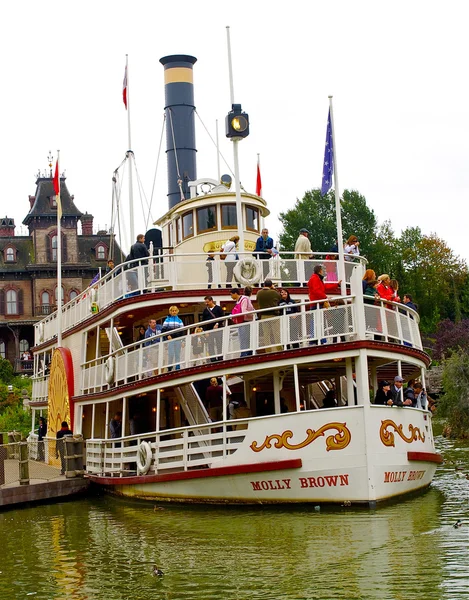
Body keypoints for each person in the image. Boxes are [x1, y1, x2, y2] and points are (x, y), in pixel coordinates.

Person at [256, 279, 281, 352]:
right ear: (271, 285)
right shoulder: (273, 292)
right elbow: (279, 297)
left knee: (266, 335)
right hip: (273, 315)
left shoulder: (259, 293)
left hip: (263, 315)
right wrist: (274, 289)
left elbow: (257, 300)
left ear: (264, 285)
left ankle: (268, 350)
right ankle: (279, 349)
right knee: (276, 334)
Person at [230, 287, 255, 357]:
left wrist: (253, 314)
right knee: (245, 338)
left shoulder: (243, 299)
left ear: (235, 293)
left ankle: (245, 354)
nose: (231, 296)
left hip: (245, 321)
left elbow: (243, 311)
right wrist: (253, 313)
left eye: (231, 294)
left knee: (244, 338)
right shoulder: (242, 300)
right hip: (244, 320)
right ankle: (246, 353)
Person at [161, 306, 185, 371]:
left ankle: (178, 367)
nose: (174, 312)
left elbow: (182, 331)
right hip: (170, 339)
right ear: (170, 312)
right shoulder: (167, 320)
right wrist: (167, 336)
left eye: (175, 311)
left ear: (177, 311)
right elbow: (163, 329)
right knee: (171, 354)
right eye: (172, 311)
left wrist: (183, 341)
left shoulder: (179, 320)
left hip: (178, 339)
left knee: (177, 354)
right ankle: (169, 367)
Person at [201, 296, 224, 361]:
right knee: (210, 344)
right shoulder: (205, 311)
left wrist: (217, 324)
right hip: (209, 330)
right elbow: (203, 322)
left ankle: (220, 357)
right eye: (205, 302)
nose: (206, 304)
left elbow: (222, 317)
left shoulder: (218, 308)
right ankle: (213, 358)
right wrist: (205, 331)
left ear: (211, 301)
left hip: (218, 329)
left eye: (207, 302)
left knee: (219, 343)